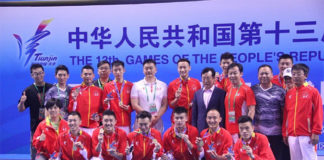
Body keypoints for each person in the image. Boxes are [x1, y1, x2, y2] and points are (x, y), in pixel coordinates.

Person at [282, 63, 323, 160]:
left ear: (305, 75)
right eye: (294, 74)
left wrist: (316, 132)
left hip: (307, 135)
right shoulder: (289, 93)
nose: (295, 77)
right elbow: (286, 115)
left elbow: (318, 113)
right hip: (292, 135)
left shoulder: (313, 92)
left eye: (299, 74)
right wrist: (285, 132)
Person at [251, 64, 287, 160]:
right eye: (261, 74)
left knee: (276, 157)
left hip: (277, 133)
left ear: (272, 75)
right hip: (259, 133)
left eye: (266, 73)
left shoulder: (280, 91)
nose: (264, 76)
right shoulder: (253, 90)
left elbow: (285, 113)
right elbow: (250, 110)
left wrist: (285, 131)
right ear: (258, 76)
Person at [17, 63, 53, 160]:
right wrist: (22, 102)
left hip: (51, 127)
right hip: (35, 127)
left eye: (40, 73)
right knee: (35, 153)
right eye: (36, 74)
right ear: (32, 75)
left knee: (53, 152)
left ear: (44, 73)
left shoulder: (51, 88)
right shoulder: (28, 91)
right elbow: (21, 109)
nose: (39, 76)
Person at [131, 59, 167, 133]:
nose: (149, 70)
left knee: (156, 142)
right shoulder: (136, 85)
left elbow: (164, 105)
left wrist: (156, 117)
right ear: (143, 70)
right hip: (141, 121)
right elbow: (134, 105)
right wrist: (148, 117)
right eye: (146, 68)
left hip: (156, 121)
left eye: (151, 68)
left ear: (155, 69)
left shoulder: (163, 85)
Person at [68, 65, 103, 136]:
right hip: (79, 127)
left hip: (94, 128)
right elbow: (71, 110)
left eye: (90, 74)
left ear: (93, 75)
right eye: (85, 74)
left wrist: (99, 117)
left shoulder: (99, 91)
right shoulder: (75, 90)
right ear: (81, 75)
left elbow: (103, 109)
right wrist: (74, 100)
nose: (87, 76)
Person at [225, 63, 256, 143]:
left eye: (235, 73)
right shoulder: (229, 88)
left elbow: (251, 110)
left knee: (242, 153)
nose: (232, 76)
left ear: (241, 74)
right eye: (230, 73)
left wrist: (246, 128)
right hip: (228, 128)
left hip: (241, 130)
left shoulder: (247, 90)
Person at [103, 60, 133, 134]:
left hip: (126, 122)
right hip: (112, 124)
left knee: (126, 145)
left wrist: (129, 108)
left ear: (124, 70)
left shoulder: (130, 85)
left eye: (120, 70)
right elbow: (104, 106)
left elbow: (133, 104)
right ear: (112, 71)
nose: (118, 72)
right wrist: (106, 103)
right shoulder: (107, 86)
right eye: (115, 70)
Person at [192, 67, 226, 133]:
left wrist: (221, 129)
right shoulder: (197, 94)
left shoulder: (221, 93)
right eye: (203, 78)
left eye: (208, 78)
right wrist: (194, 129)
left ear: (214, 79)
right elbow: (194, 114)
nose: (205, 81)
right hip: (200, 129)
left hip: (216, 129)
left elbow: (222, 113)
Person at [167, 58, 201, 124]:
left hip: (193, 119)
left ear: (189, 68)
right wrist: (176, 99)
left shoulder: (196, 83)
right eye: (180, 67)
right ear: (177, 69)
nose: (182, 70)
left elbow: (200, 100)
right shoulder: (172, 84)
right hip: (178, 120)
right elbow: (171, 105)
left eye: (184, 67)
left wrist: (194, 104)